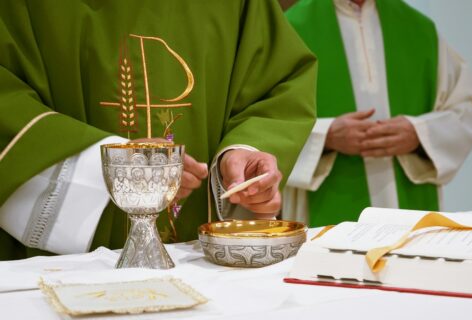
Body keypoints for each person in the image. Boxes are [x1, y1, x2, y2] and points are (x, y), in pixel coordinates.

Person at [0, 0, 317, 259]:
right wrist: (108, 167)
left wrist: (242, 154)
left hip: (202, 261)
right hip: (59, 266)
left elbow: (276, 85)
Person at [282, 0, 472, 226]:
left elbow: (468, 109)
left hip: (408, 207)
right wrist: (325, 136)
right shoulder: (292, 28)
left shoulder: (419, 27)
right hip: (324, 204)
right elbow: (265, 121)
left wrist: (419, 133)